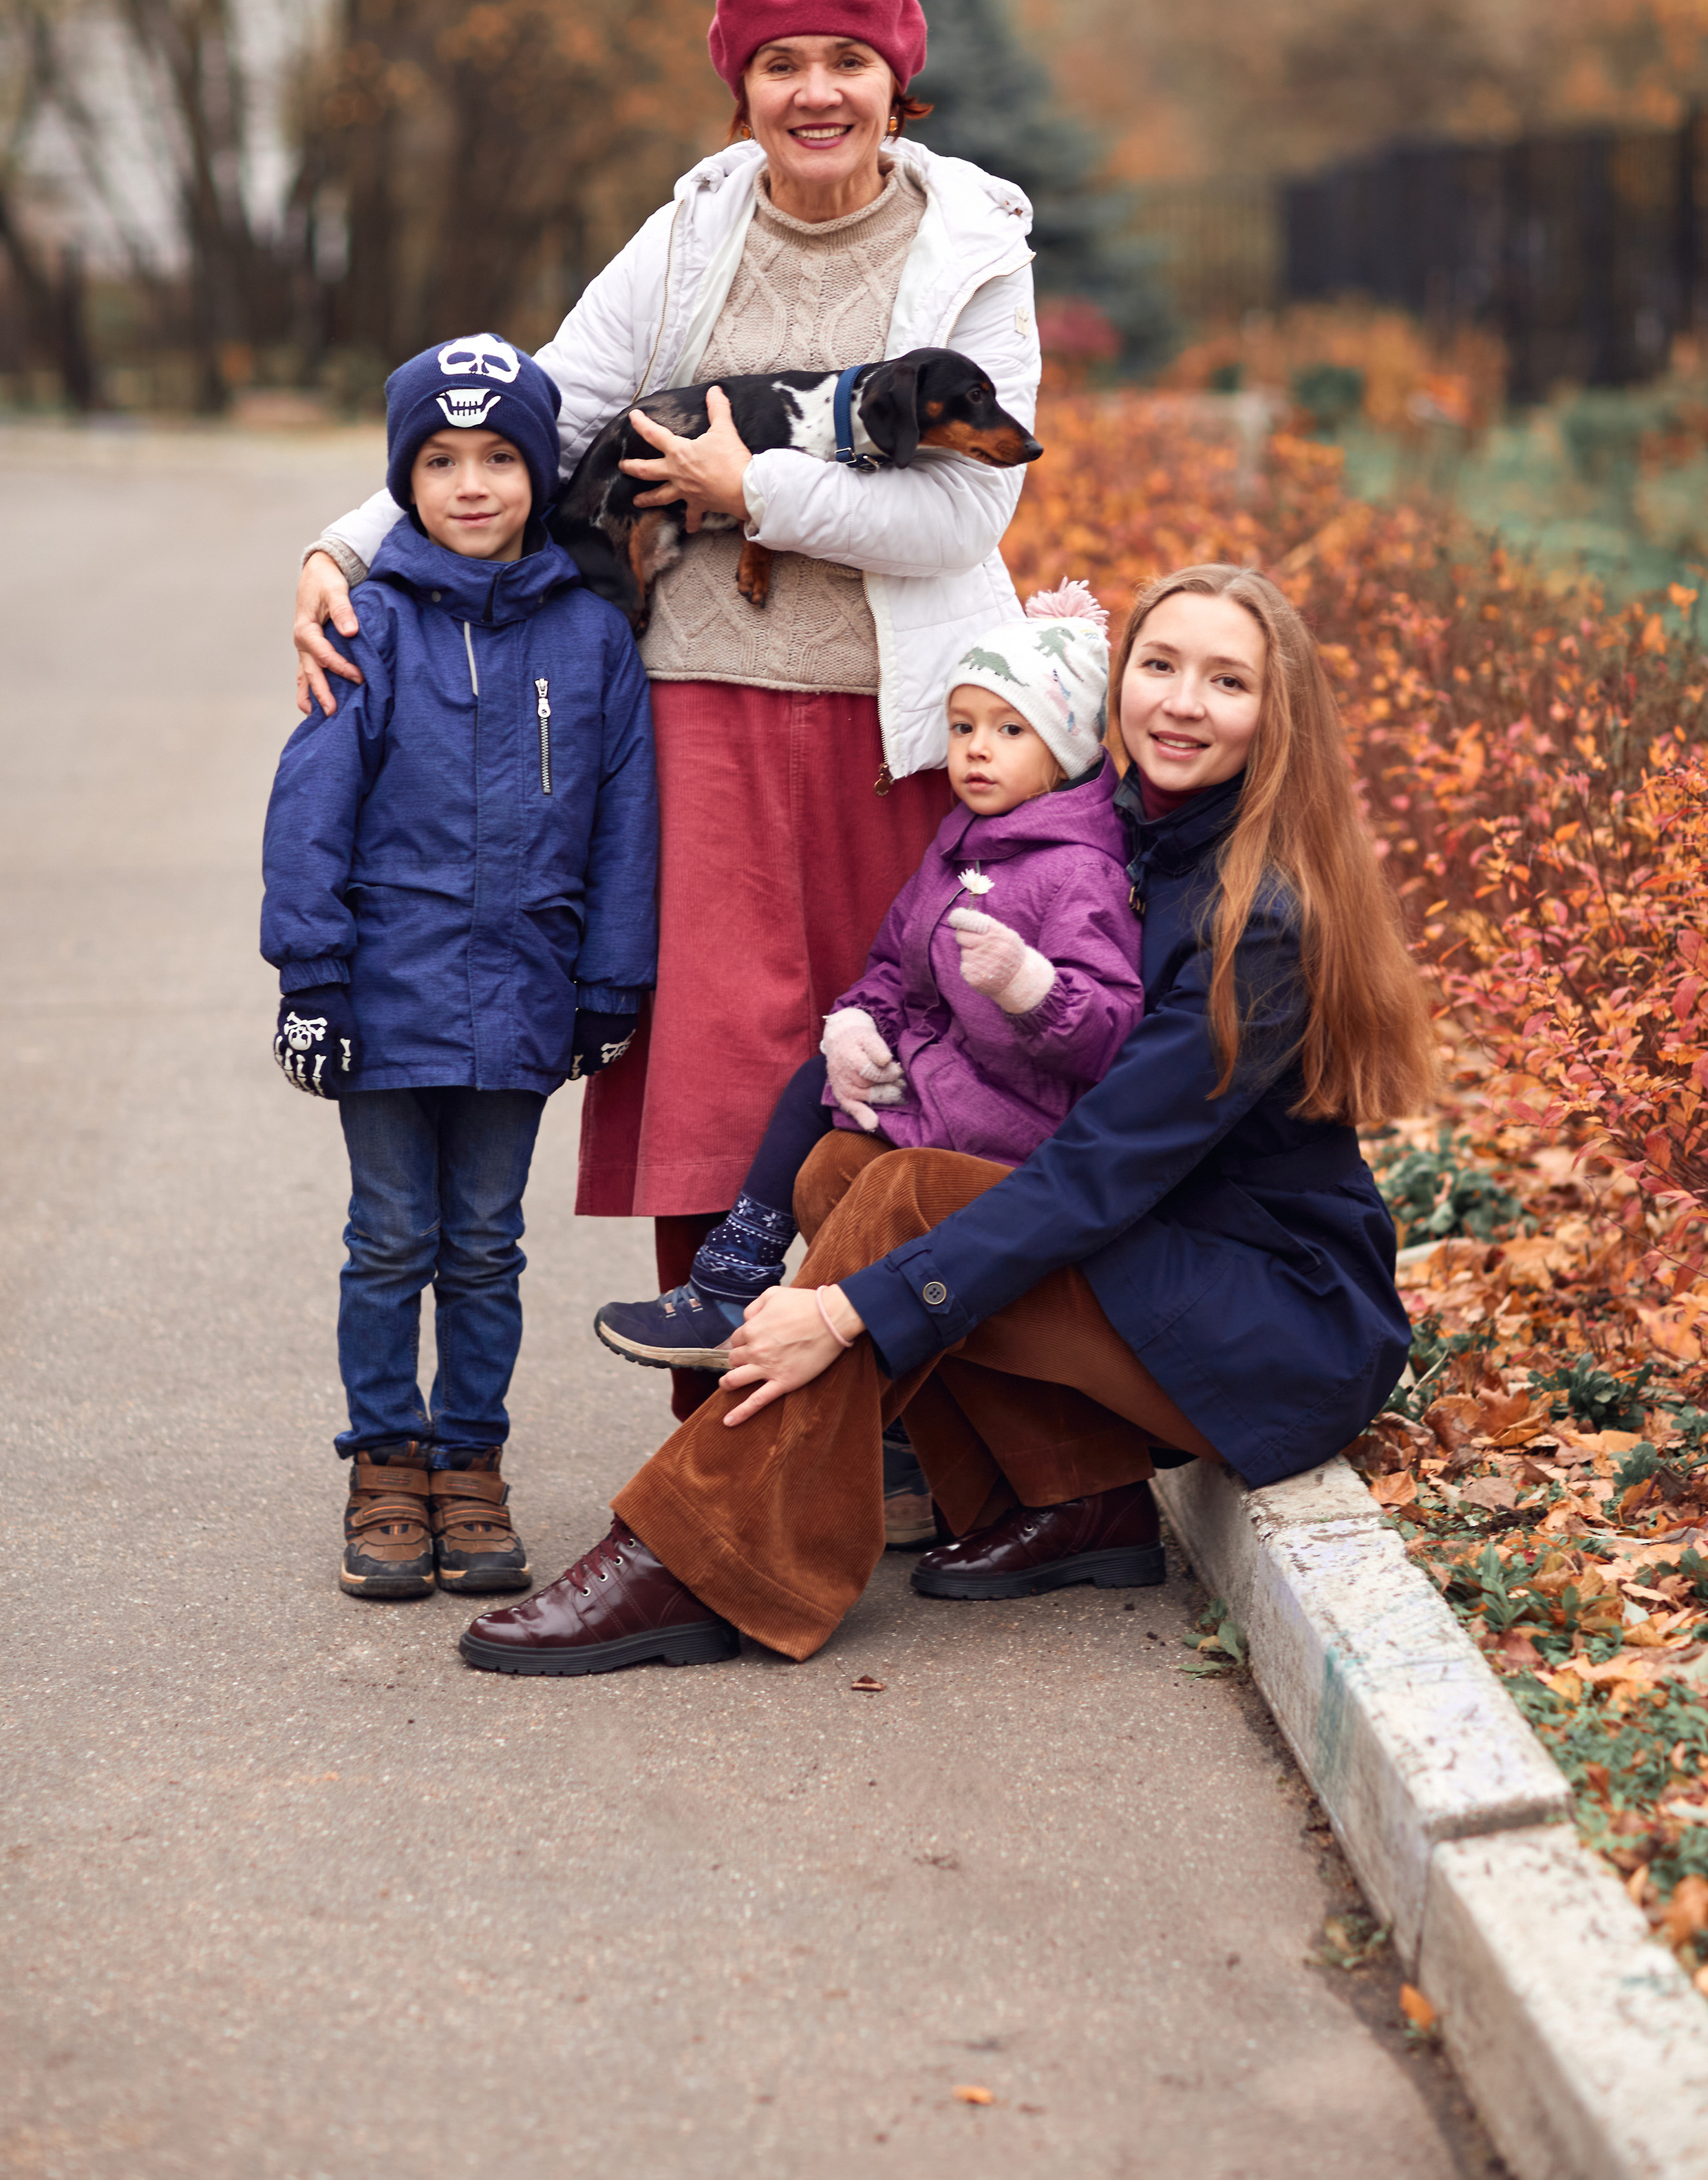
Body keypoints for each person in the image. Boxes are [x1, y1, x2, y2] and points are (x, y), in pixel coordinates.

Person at [289, 0, 1040, 1428]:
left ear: (898, 87)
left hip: (902, 720)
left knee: (898, 1058)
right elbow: (546, 404)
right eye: (779, 65)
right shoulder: (690, 236)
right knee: (716, 1064)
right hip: (693, 700)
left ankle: (884, 1412)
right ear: (741, 91)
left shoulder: (971, 250)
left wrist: (742, 485)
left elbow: (963, 517)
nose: (813, 92)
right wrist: (345, 546)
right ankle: (721, 1421)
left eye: (844, 62)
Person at [455, 564, 1440, 1678]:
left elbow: (1094, 1176)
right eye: (1160, 666)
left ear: (1278, 718)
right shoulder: (1109, 825)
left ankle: (694, 1554)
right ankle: (1078, 1500)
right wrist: (866, 1030)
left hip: (1272, 1319)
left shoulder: (1257, 920)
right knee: (838, 1166)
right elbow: (946, 978)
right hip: (1156, 1261)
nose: (1179, 702)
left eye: (1227, 682)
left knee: (909, 1196)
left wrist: (843, 1312)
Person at [261, 337, 657, 1604]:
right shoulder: (363, 624)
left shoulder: (594, 640)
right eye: (440, 461)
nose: (472, 484)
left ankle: (470, 1464)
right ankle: (386, 1465)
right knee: (389, 1239)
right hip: (384, 998)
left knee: (485, 1243)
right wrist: (311, 978)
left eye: (499, 459)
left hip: (527, 999)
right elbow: (309, 808)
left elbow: (624, 816)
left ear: (542, 475)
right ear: (404, 478)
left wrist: (611, 982)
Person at [591, 581, 1140, 1390]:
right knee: (816, 1079)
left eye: (1009, 729)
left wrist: (1030, 987)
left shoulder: (1080, 872)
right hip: (952, 1082)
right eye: (961, 728)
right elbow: (895, 964)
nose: (975, 750)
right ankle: (736, 1281)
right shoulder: (965, 844)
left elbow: (1110, 1029)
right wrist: (855, 1024)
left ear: (1066, 747)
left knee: (851, 1171)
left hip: (1020, 1118)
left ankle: (750, 1299)